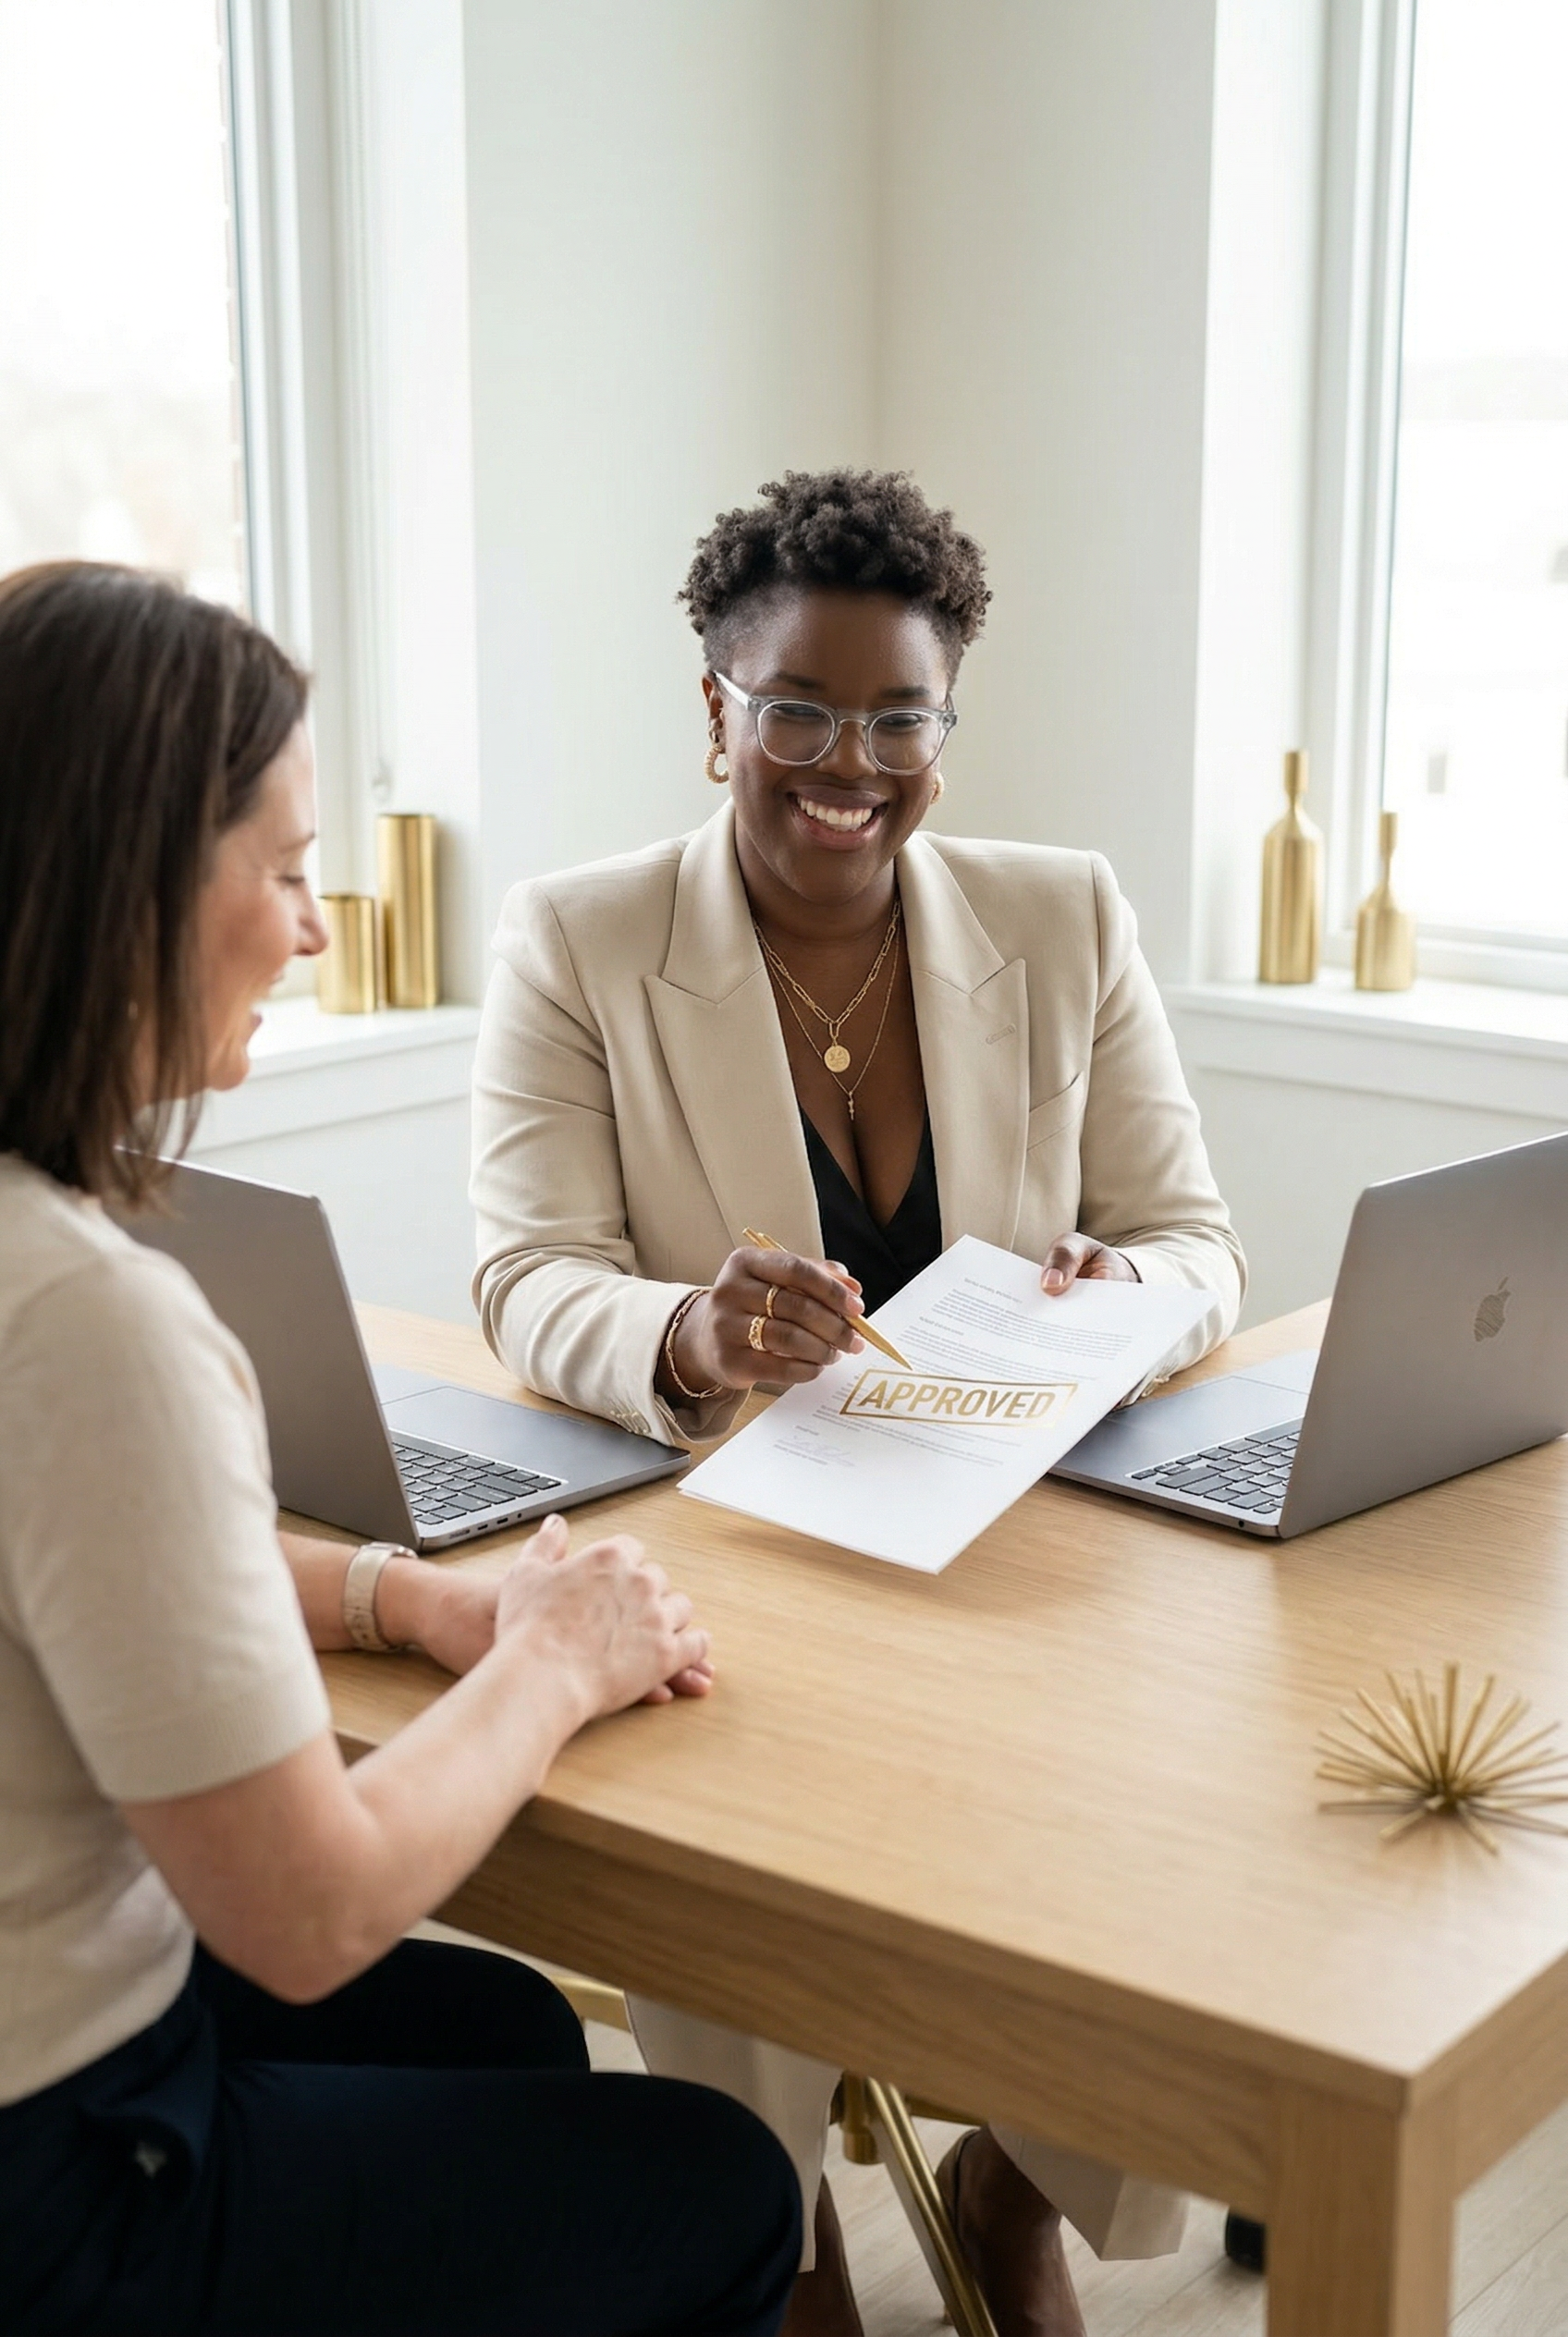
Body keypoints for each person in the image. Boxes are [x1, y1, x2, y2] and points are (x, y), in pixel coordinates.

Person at [471, 471, 1246, 2337]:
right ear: (713, 710)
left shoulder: (1059, 917)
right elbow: (521, 1275)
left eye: (899, 717)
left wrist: (1115, 1288)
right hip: (746, 1545)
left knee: (1169, 1807)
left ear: (944, 727)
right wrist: (688, 1331)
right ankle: (782, 2222)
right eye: (794, 709)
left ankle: (1010, 2178)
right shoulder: (577, 937)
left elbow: (1196, 1239)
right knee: (727, 1800)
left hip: (1018, 1543)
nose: (848, 760)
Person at [0, 561, 802, 2337]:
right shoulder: (84, 1319)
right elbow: (308, 1912)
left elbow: (81, 1561)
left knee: (505, 2031)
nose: (314, 927)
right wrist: (551, 1657)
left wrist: (394, 1600)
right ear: (124, 886)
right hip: (65, 2191)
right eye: (283, 872)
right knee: (723, 2187)